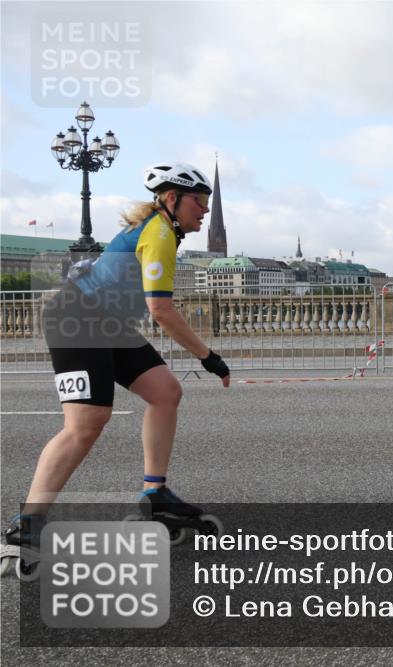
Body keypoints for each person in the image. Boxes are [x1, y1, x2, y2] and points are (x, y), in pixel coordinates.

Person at [2, 162, 231, 571]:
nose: (205, 211)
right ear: (172, 199)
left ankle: (154, 494)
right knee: (86, 422)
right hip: (77, 319)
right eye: (200, 202)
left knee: (166, 391)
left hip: (107, 323)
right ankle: (28, 522)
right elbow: (161, 310)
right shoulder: (159, 232)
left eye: (207, 203)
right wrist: (208, 356)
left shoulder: (163, 229)